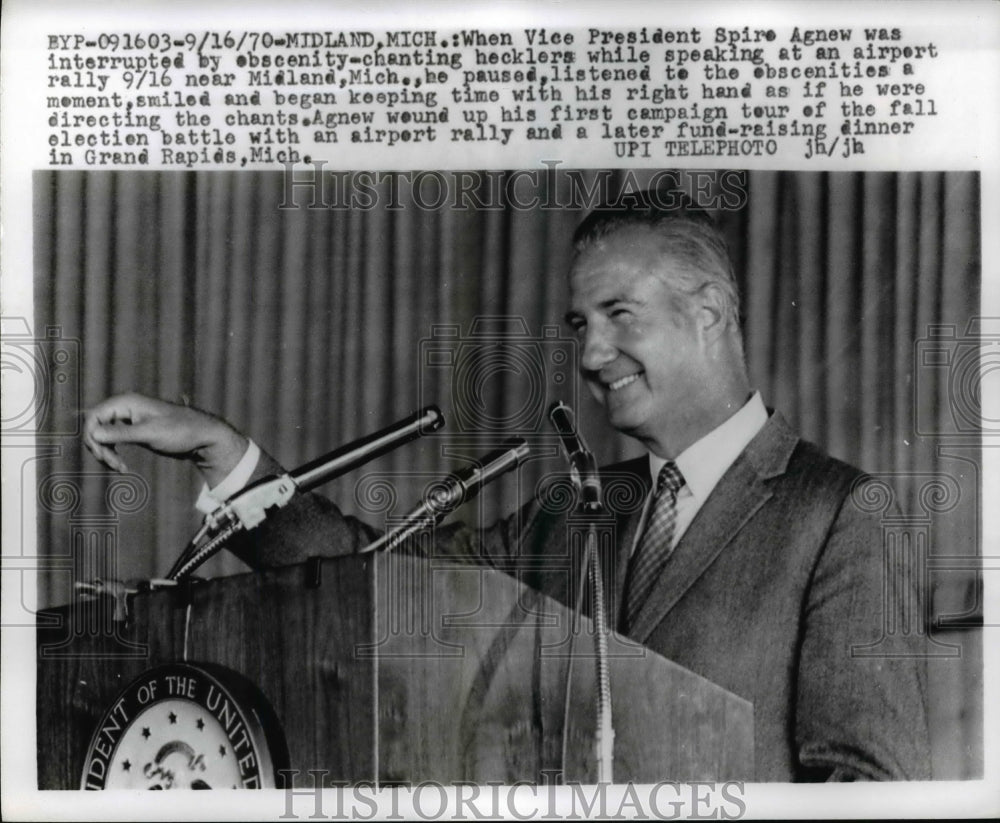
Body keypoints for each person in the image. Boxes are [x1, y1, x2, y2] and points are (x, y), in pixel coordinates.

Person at [83, 195, 932, 782]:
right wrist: (221, 450)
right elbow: (374, 572)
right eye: (579, 326)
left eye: (618, 314)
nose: (592, 354)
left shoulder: (839, 514)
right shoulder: (574, 510)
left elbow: (870, 787)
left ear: (708, 313)